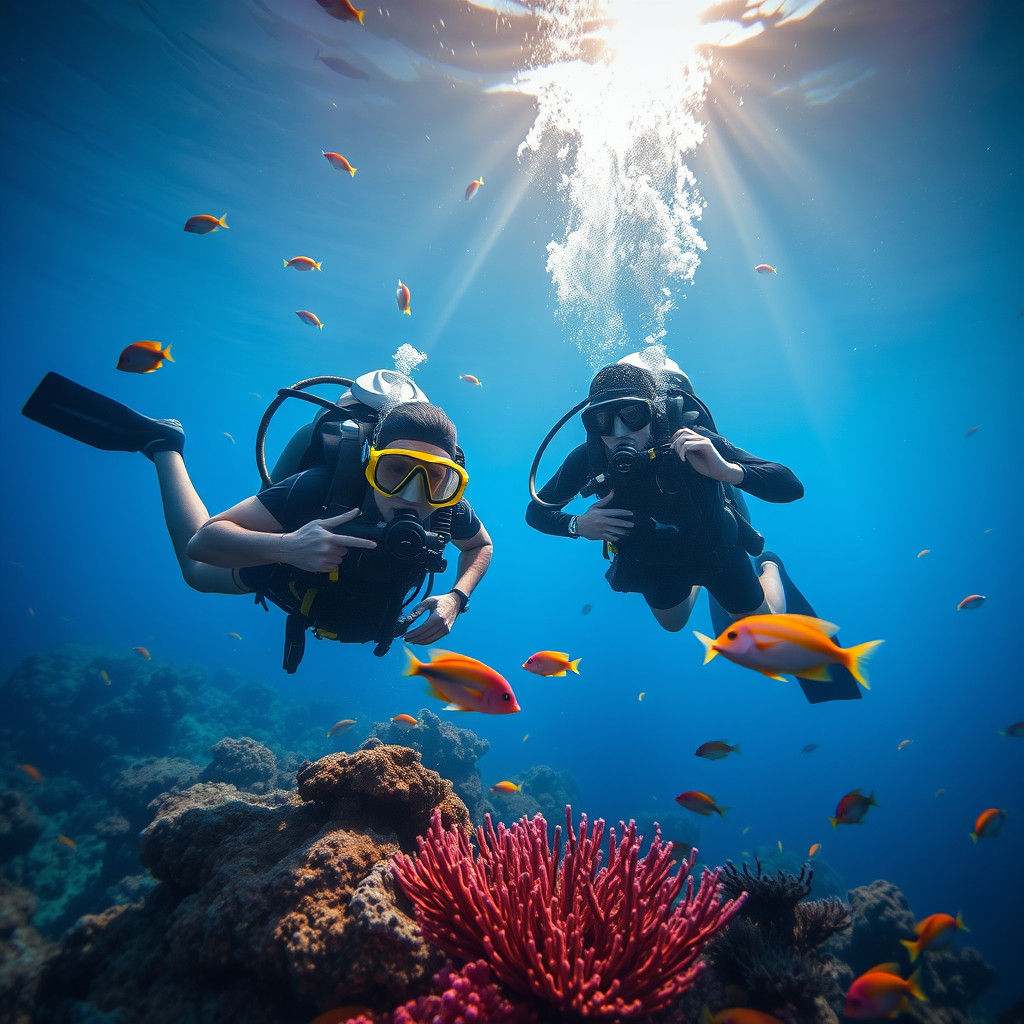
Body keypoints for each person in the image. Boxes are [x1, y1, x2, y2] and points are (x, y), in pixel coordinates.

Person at [23, 370, 492, 671]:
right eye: (394, 471)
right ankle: (164, 445)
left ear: (454, 481)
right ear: (370, 464)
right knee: (196, 576)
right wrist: (285, 547)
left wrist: (457, 596)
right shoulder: (319, 487)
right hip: (283, 569)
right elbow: (204, 542)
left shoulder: (448, 510)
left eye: (436, 478)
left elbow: (481, 545)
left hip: (347, 605)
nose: (414, 494)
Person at [527, 360, 802, 632]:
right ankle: (699, 583)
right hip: (654, 562)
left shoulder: (690, 440)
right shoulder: (589, 458)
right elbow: (535, 513)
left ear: (654, 412)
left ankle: (770, 564)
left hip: (717, 550)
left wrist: (727, 471)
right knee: (674, 624)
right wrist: (577, 525)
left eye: (633, 414)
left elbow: (791, 485)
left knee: (765, 630)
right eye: (602, 420)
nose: (620, 432)